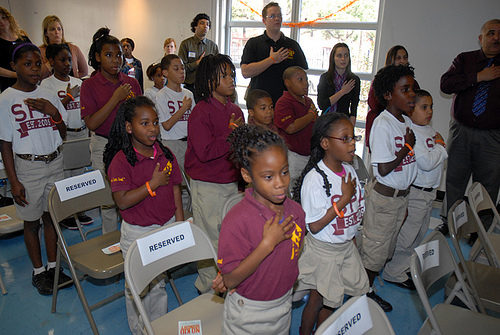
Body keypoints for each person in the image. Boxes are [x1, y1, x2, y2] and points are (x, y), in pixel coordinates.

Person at [214, 124, 305, 335]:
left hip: (283, 303)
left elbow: (293, 254)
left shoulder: (297, 212)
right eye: (268, 177)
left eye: (284, 172)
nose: (280, 183)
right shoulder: (236, 220)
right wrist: (267, 244)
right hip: (249, 312)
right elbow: (229, 280)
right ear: (247, 176)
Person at [104, 96, 183, 335]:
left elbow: (176, 188)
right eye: (145, 123)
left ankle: (156, 328)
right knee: (138, 287)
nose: (153, 129)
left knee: (158, 283)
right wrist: (153, 183)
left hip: (166, 226)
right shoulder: (121, 161)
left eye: (155, 122)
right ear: (129, 127)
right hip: (138, 233)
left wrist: (179, 222)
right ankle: (139, 330)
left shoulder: (165, 153)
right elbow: (122, 201)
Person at [0, 42, 71, 295]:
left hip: (54, 162)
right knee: (31, 223)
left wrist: (54, 113)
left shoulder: (49, 94)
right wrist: (14, 181)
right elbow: (5, 144)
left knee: (51, 217)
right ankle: (38, 271)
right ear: (14, 66)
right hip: (27, 167)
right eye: (27, 64)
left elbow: (62, 133)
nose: (34, 68)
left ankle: (53, 267)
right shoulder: (7, 99)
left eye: (38, 63)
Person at [293, 113, 368, 335]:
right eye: (344, 138)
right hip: (325, 252)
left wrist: (351, 238)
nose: (352, 143)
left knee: (331, 299)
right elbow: (314, 226)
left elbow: (355, 211)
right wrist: (344, 200)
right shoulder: (315, 179)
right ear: (325, 143)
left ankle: (322, 331)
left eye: (353, 137)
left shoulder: (350, 170)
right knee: (319, 299)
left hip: (344, 247)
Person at [358, 64, 417, 312]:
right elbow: (382, 169)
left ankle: (365, 287)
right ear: (388, 95)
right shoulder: (383, 124)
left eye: (413, 88)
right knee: (375, 252)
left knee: (385, 249)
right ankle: (363, 294)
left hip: (398, 199)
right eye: (405, 89)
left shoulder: (403, 120)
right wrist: (407, 148)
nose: (412, 94)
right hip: (384, 200)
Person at [185, 54, 244, 293]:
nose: (231, 79)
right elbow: (206, 151)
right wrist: (232, 134)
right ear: (210, 81)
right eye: (225, 76)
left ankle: (226, 282)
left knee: (230, 240)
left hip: (232, 185)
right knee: (210, 240)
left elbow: (240, 148)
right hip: (208, 186)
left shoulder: (235, 110)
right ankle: (207, 287)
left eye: (232, 74)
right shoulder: (201, 112)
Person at [438, 19, 500, 238]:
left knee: (487, 186)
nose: (496, 38)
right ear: (481, 38)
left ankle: (480, 230)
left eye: (499, 34)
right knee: (455, 178)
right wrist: (478, 77)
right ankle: (448, 221)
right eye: (491, 33)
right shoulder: (465, 59)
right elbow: (445, 84)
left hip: (493, 137)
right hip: (461, 130)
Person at [383, 89, 447, 289]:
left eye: (431, 107)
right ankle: (393, 272)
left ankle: (406, 265)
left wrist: (438, 147)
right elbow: (427, 163)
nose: (430, 112)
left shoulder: (429, 131)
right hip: (417, 193)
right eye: (424, 107)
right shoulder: (412, 133)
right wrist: (441, 148)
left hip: (430, 193)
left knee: (420, 232)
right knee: (408, 234)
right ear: (411, 111)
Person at [80, 27, 141, 234]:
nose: (116, 60)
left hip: (130, 144)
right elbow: (92, 123)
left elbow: (140, 115)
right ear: (98, 57)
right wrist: (115, 97)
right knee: (108, 200)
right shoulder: (89, 85)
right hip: (103, 144)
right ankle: (111, 243)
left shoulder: (131, 82)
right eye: (109, 55)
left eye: (119, 56)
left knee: (133, 195)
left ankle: (132, 238)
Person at [40, 43, 93, 228]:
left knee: (79, 174)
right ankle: (66, 214)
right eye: (62, 60)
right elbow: (50, 113)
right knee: (64, 176)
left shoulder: (79, 82)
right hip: (63, 136)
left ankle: (80, 210)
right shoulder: (47, 85)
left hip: (81, 133)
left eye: (69, 59)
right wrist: (68, 97)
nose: (67, 63)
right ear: (52, 61)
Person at [240, 2, 308, 106]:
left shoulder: (292, 45)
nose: (277, 19)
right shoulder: (254, 43)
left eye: (279, 15)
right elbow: (245, 72)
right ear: (264, 20)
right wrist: (271, 60)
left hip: (287, 104)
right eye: (272, 16)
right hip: (259, 103)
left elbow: (302, 74)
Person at [365, 45, 420, 149]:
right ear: (391, 60)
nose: (402, 61)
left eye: (405, 57)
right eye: (398, 58)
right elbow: (374, 104)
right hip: (384, 123)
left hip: (402, 125)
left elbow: (417, 102)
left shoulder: (412, 82)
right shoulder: (381, 79)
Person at [274, 66, 318, 186]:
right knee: (293, 191)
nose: (305, 84)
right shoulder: (283, 102)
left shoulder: (308, 101)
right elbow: (291, 127)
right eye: (300, 80)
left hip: (310, 155)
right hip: (293, 156)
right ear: (287, 83)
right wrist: (311, 115)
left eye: (306, 80)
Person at [156, 54, 193, 170]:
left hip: (189, 143)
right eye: (176, 69)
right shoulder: (161, 95)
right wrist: (183, 108)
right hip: (172, 143)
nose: (181, 72)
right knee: (176, 181)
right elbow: (166, 125)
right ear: (165, 73)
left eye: (182, 68)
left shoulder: (188, 94)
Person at [317, 43, 360, 127]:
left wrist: (351, 128)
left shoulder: (354, 79)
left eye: (346, 55)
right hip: (326, 122)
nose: (343, 59)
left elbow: (354, 107)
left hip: (343, 121)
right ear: (333, 58)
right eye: (339, 56)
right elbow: (322, 105)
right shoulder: (325, 77)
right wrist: (342, 92)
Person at [178, 13, 219, 95]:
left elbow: (216, 68)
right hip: (190, 87)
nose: (205, 26)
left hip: (208, 87)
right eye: (202, 23)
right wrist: (197, 63)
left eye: (207, 24)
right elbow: (181, 67)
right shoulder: (186, 44)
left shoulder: (213, 46)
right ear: (195, 26)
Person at [39, 15, 88, 80]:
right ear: (46, 33)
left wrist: (74, 79)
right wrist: (51, 62)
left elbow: (84, 71)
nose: (57, 32)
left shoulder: (73, 48)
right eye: (52, 29)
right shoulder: (40, 51)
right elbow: (39, 75)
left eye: (59, 29)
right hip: (51, 87)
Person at [0, 7, 31, 91]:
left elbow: (34, 58)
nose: (1, 21)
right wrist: (16, 74)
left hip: (29, 82)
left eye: (3, 17)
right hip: (9, 85)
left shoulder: (24, 39)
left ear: (9, 18)